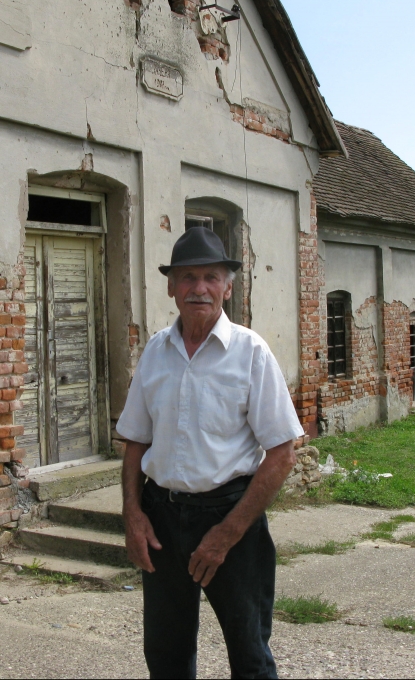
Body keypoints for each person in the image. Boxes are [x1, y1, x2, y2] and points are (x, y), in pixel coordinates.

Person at [118, 226, 304, 679]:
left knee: (250, 656)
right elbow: (136, 441)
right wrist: (133, 515)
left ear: (228, 287)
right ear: (171, 286)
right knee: (166, 656)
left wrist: (227, 534)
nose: (198, 288)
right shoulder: (156, 351)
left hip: (231, 517)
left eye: (210, 277)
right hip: (162, 520)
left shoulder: (251, 353)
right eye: (187, 277)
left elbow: (282, 453)